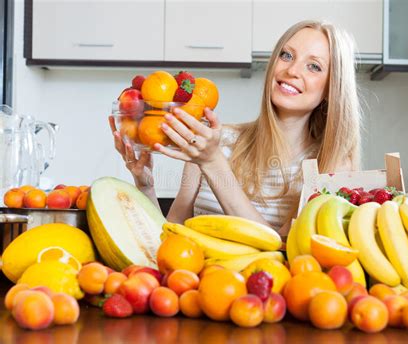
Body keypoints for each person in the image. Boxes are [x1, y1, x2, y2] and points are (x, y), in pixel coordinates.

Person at [109, 20, 361, 236]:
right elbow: (170, 233)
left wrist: (213, 163)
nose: (292, 70)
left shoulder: (331, 166)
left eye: (314, 66)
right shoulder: (215, 141)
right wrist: (145, 185)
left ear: (332, 88)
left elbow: (280, 252)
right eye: (286, 55)